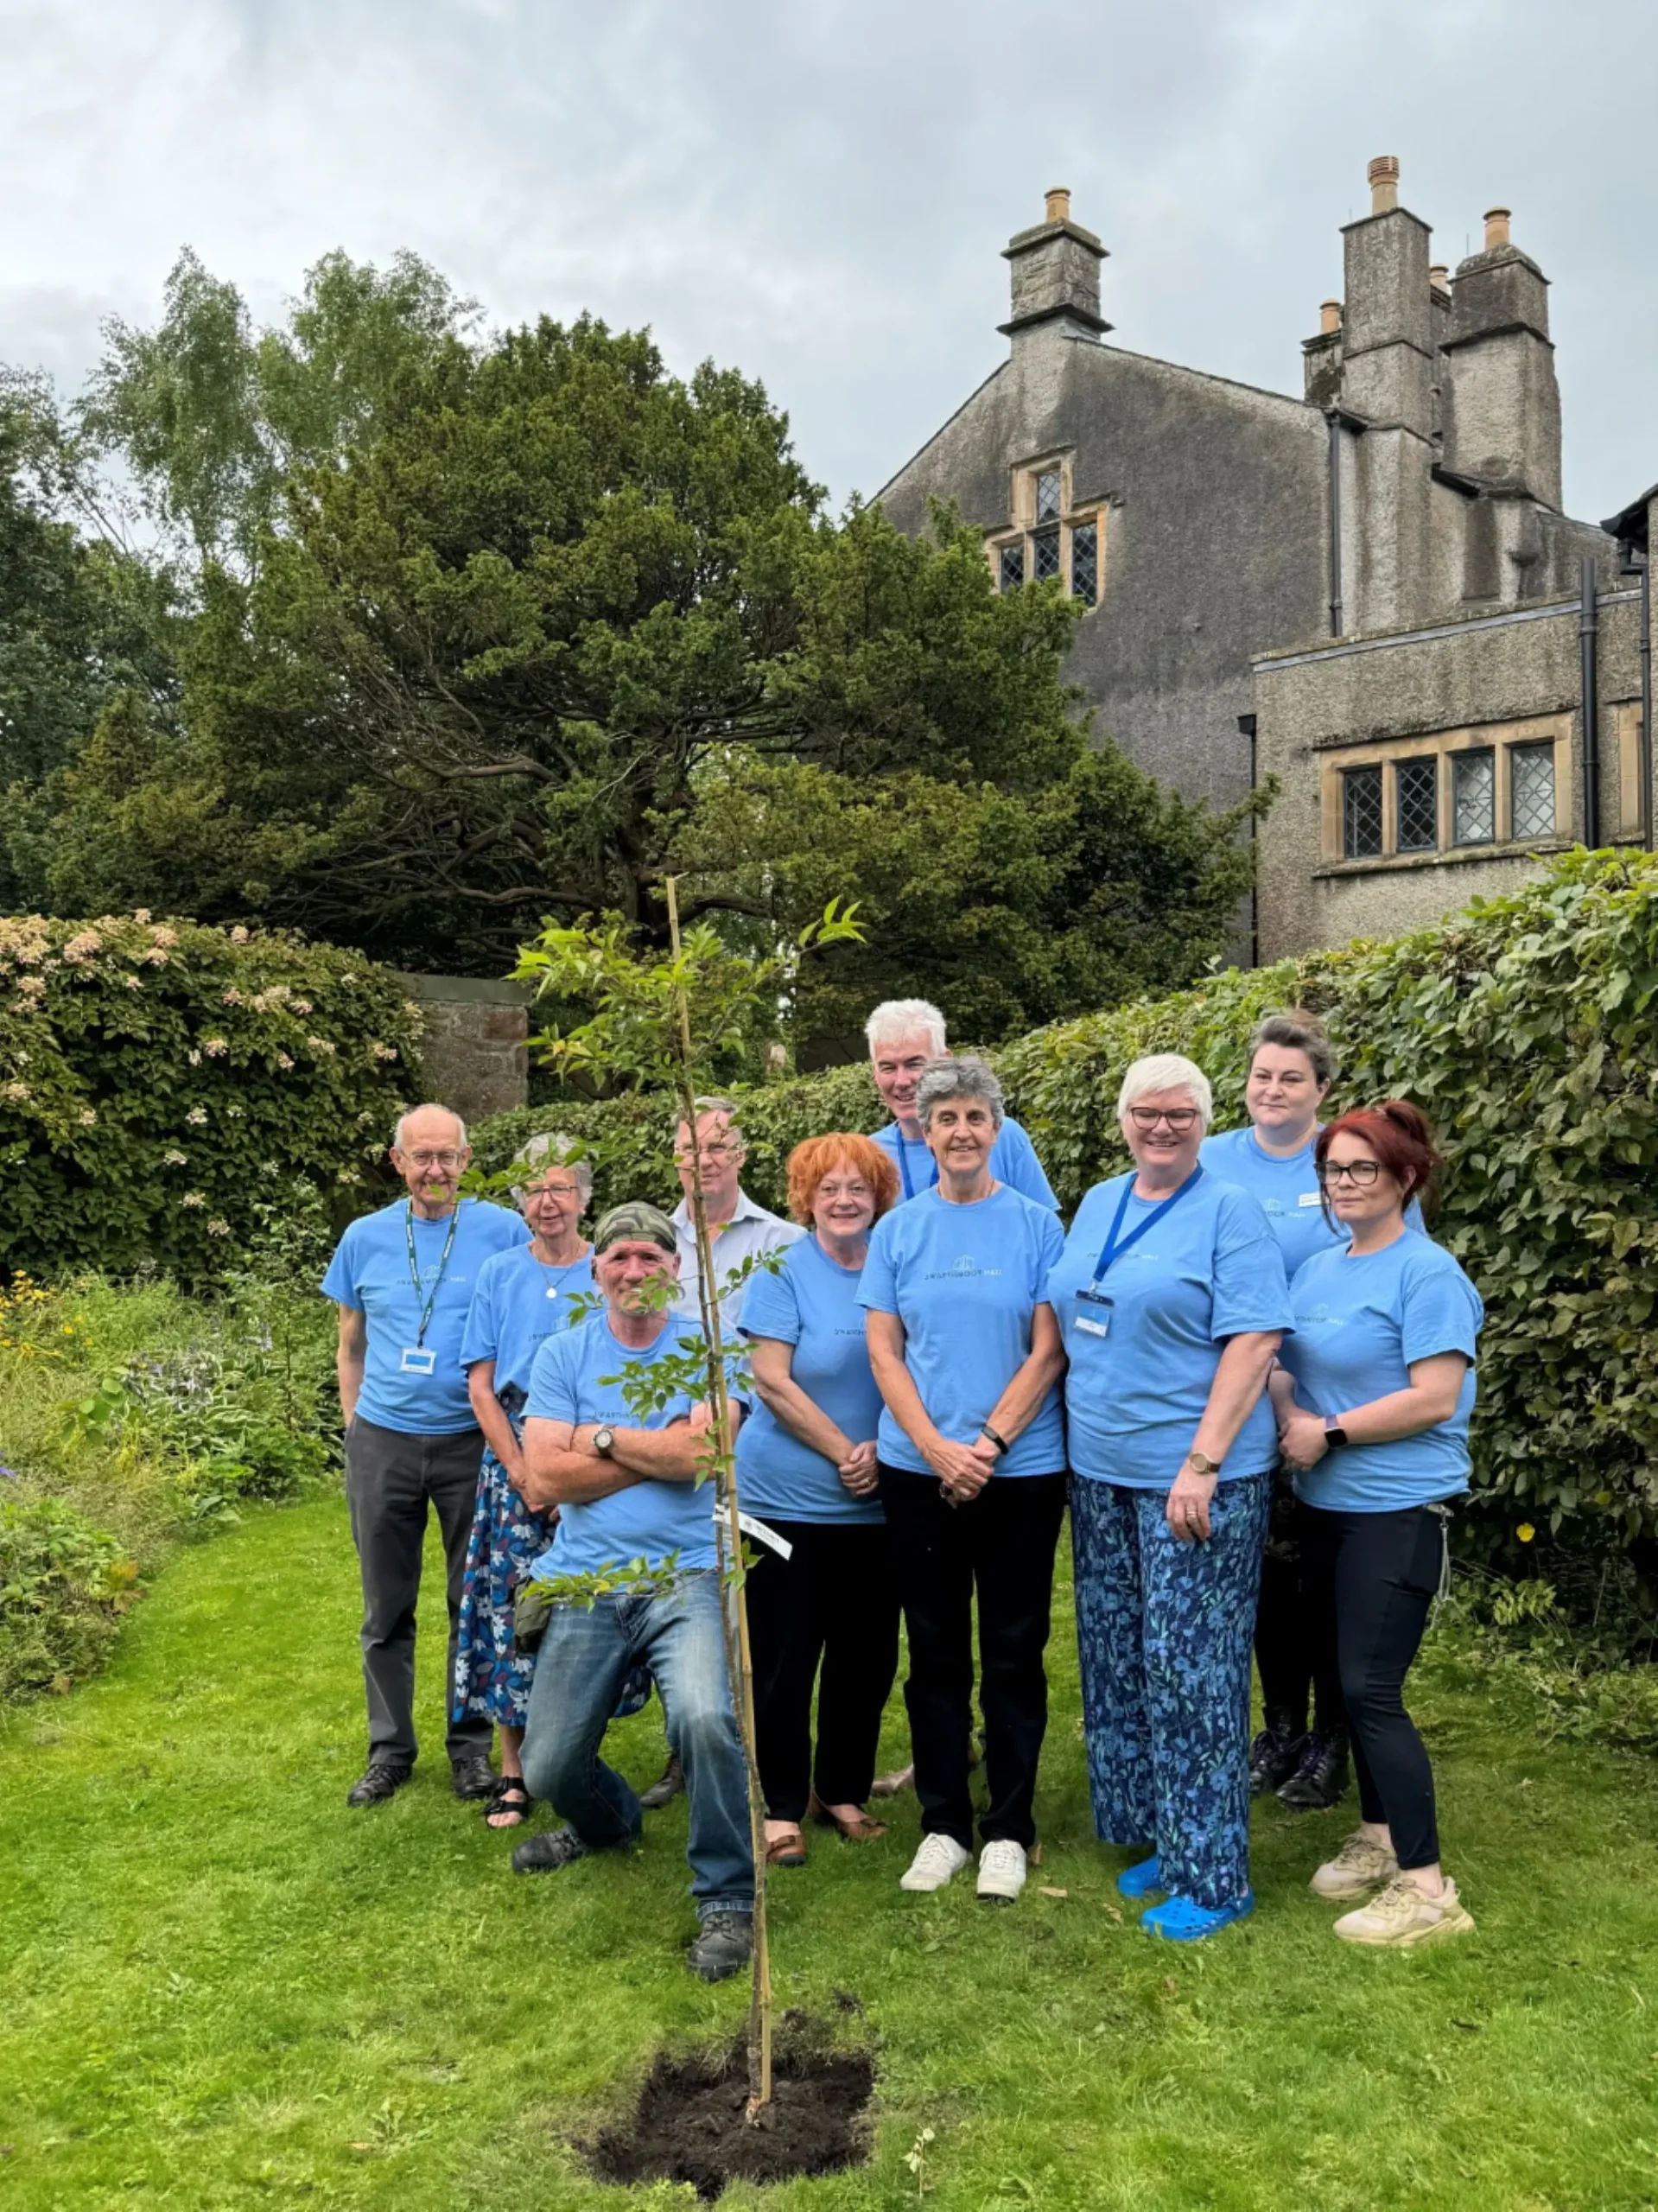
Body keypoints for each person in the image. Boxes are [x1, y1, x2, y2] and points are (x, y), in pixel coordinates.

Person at [1047, 1053, 1290, 1942]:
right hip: (1099, 1471)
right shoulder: (1099, 1201)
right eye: (1145, 1112)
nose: (1161, 1127)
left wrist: (1203, 1460)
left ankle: (1214, 1876)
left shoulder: (1230, 1211)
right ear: (1121, 1119)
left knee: (1191, 1669)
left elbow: (1255, 1337)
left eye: (1180, 1114)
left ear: (1203, 1122)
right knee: (1119, 1659)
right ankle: (1163, 1832)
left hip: (1191, 1477)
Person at [511, 1202, 756, 1984]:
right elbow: (545, 1476)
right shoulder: (563, 1353)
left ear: (675, 1269)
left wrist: (600, 1438)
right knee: (547, 1769)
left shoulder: (709, 1348)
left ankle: (727, 1897)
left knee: (705, 1720)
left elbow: (703, 1457)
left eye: (651, 1257)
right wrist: (659, 1451)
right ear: (596, 1272)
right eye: (619, 1258)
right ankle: (608, 1824)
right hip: (587, 1580)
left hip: (687, 1574)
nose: (634, 1271)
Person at [1202, 1011, 1425, 1812]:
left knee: (1324, 1584)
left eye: (1291, 1078)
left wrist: (1328, 1414)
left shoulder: (1352, 1161)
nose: (1272, 1089)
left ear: (1321, 1090)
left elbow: (1394, 1270)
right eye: (1261, 1075)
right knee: (1265, 1578)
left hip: (1328, 1410)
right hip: (1241, 1404)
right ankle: (1280, 1728)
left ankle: (1332, 1737)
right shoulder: (1212, 1159)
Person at [1272, 1103, 1482, 1948]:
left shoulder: (1426, 1274)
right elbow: (1283, 1366)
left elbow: (1433, 1396)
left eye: (1363, 1168)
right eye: (1333, 1169)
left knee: (1369, 1689)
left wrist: (1325, 1432)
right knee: (1342, 1682)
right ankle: (1378, 1835)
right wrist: (1290, 1414)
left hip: (1397, 1510)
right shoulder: (1319, 1269)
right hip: (1325, 1509)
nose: (1345, 1183)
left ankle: (1427, 1890)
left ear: (1404, 1177)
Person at [861, 1056, 1067, 1905]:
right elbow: (885, 1351)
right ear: (924, 1128)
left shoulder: (1037, 1226)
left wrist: (984, 1444)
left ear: (996, 1128)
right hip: (918, 1474)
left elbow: (1048, 1351)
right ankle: (943, 1824)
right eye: (943, 1117)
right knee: (935, 1651)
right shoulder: (897, 1231)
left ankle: (1008, 1829)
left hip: (1020, 1470)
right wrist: (934, 1449)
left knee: (1014, 1651)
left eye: (974, 1116)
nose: (959, 1131)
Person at [321, 1104, 531, 1807]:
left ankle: (470, 1750)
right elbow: (350, 1344)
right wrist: (355, 1427)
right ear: (398, 1162)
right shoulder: (363, 1238)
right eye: (422, 1156)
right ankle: (389, 1751)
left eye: (447, 1156)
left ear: (466, 1161)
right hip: (382, 1440)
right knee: (385, 1607)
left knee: (471, 1604)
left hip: (472, 1442)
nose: (435, 1169)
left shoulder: (503, 1231)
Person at [737, 1133, 902, 1868]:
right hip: (785, 1502)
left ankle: (840, 1790)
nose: (842, 1200)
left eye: (857, 1188)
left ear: (879, 1196)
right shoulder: (780, 1270)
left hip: (880, 1502)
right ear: (804, 1198)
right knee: (783, 1657)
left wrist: (885, 1457)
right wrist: (845, 1453)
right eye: (827, 1188)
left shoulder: (896, 1263)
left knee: (865, 1657)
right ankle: (778, 1804)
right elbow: (770, 1380)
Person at [453, 1136, 594, 1830]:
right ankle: (513, 1772)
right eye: (534, 1190)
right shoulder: (499, 1273)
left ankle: (579, 1762)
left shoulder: (609, 1267)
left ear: (584, 1198)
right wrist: (523, 1471)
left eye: (560, 1188)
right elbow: (480, 1385)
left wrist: (573, 1477)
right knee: (509, 1614)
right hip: (512, 1461)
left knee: (590, 1611)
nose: (547, 1202)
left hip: (590, 1456)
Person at [866, 1000, 1057, 1210]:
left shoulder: (1004, 1136)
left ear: (945, 1062)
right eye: (888, 1068)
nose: (902, 1081)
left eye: (914, 1064)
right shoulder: (869, 1155)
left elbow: (1042, 1225)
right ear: (875, 1074)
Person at [670, 1096, 801, 1331]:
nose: (703, 1161)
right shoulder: (652, 1247)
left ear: (740, 1155)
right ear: (675, 1157)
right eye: (690, 1148)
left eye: (717, 1147)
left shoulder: (786, 1243)